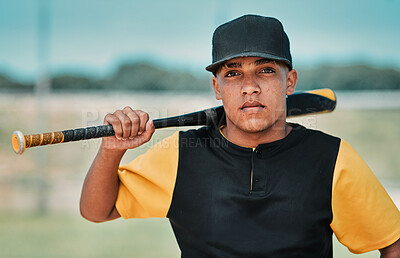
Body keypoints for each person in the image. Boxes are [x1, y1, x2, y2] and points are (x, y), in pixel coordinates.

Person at [80, 14, 400, 257]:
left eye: (265, 70)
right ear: (217, 87)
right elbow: (98, 211)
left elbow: (391, 241)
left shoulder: (331, 158)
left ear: (290, 82)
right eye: (233, 73)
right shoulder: (180, 154)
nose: (250, 86)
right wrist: (111, 150)